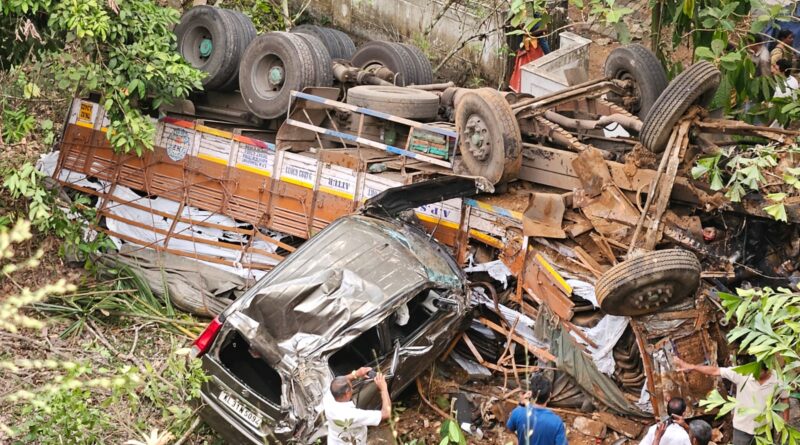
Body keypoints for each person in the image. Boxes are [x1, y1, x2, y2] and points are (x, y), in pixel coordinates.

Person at [674, 356, 788, 445]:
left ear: (767, 369)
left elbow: (785, 399)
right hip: (742, 429)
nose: (754, 374)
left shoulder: (778, 379)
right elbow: (715, 371)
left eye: (759, 372)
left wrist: (784, 424)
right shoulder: (743, 373)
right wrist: (692, 367)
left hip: (765, 429)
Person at [322, 366, 391, 445]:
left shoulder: (328, 397)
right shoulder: (354, 415)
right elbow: (386, 414)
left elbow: (337, 383)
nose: (353, 389)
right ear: (346, 394)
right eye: (351, 388)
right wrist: (383, 389)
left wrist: (357, 373)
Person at [506, 373, 567, 445]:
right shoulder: (556, 422)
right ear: (549, 396)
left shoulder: (517, 412)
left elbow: (509, 429)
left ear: (530, 394)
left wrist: (521, 403)